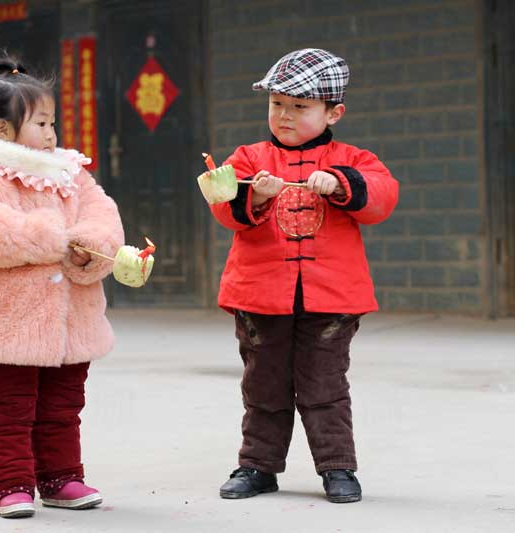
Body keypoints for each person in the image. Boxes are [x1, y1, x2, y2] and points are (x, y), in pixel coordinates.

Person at [208, 48, 399, 503]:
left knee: (325, 385)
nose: (285, 116)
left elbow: (382, 197)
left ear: (334, 112)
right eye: (277, 104)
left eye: (300, 107)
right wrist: (255, 197)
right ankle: (257, 465)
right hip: (259, 296)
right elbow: (223, 203)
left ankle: (338, 468)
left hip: (331, 300)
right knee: (263, 383)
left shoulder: (354, 158)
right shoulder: (250, 158)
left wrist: (340, 184)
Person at [0, 53, 123, 518]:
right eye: (41, 124)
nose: (52, 134)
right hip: (1, 322)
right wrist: (49, 239)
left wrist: (89, 245)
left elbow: (102, 213)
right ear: (2, 129)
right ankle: (9, 483)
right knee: (8, 409)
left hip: (69, 321)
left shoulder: (68, 172)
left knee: (63, 404)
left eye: (53, 123)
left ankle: (61, 477)